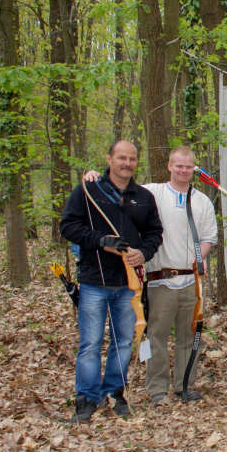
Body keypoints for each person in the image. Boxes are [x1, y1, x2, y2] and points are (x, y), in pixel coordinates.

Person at [83, 146, 217, 405]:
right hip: (160, 279)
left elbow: (209, 237)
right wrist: (94, 177)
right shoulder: (151, 193)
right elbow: (117, 191)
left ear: (194, 169)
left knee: (190, 336)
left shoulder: (202, 201)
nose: (183, 170)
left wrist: (200, 256)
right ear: (169, 166)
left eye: (189, 167)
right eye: (179, 165)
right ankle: (157, 390)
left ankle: (184, 385)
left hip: (192, 280)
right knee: (156, 336)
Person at [60, 140, 163, 422]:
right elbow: (68, 226)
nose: (126, 163)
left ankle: (116, 391)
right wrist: (100, 241)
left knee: (123, 343)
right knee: (91, 343)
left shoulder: (142, 196)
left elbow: (154, 233)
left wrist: (143, 253)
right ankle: (87, 398)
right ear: (109, 159)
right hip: (94, 280)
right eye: (121, 158)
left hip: (129, 285)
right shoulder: (88, 190)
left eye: (131, 159)